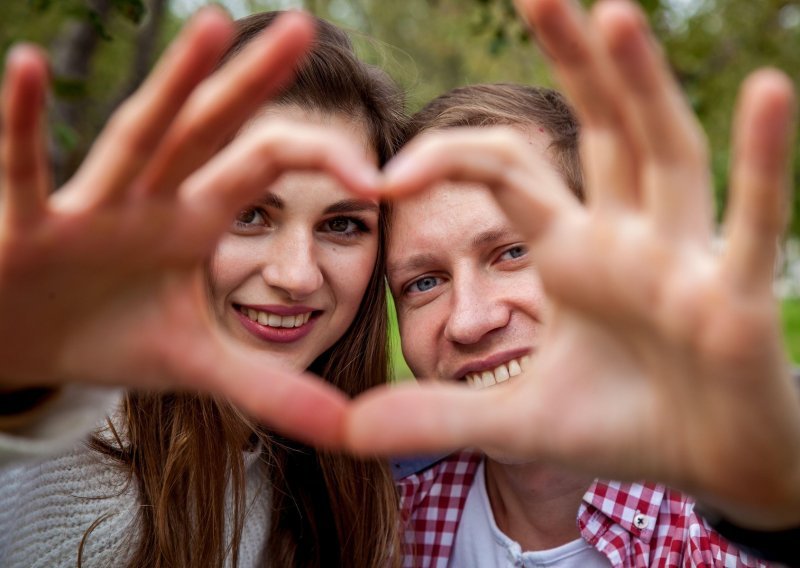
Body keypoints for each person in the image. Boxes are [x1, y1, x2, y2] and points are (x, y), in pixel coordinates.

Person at [343, 0, 800, 565]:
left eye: (512, 252)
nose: (468, 319)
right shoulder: (380, 528)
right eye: (423, 283)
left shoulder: (733, 526)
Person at [0, 10, 406, 567]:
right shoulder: (75, 445)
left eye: (342, 225)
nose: (297, 276)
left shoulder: (351, 487)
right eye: (249, 214)